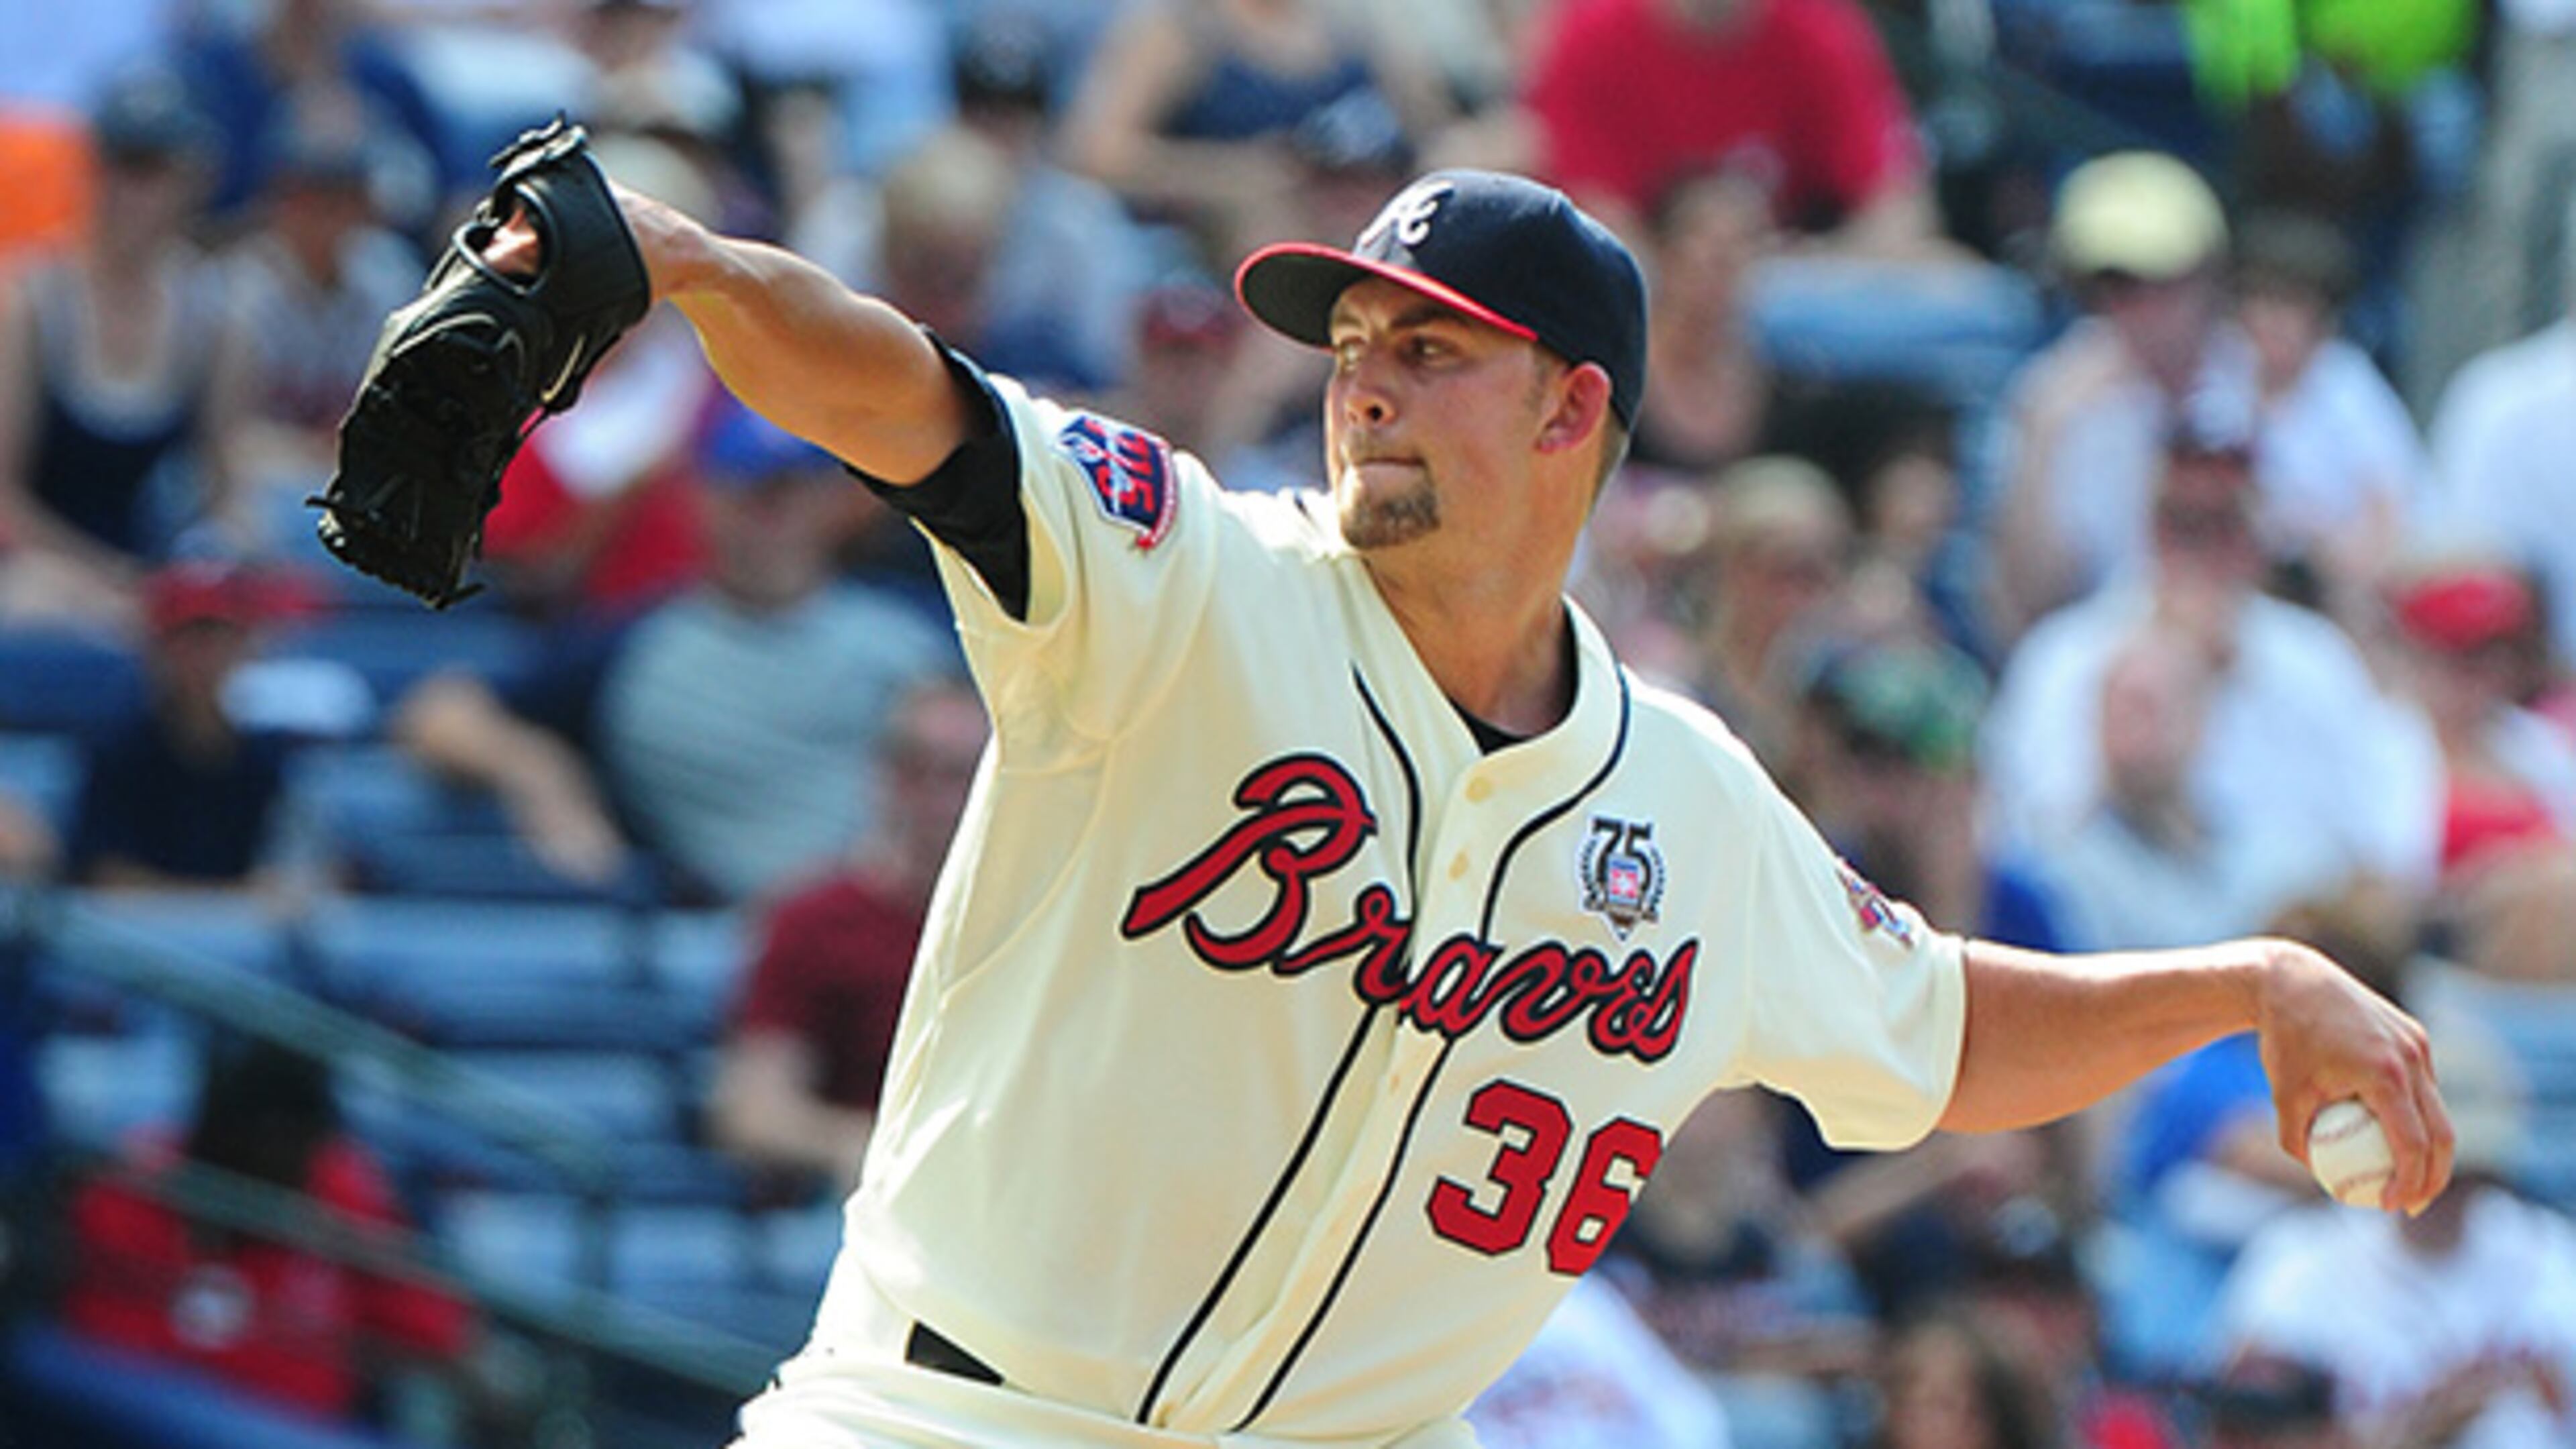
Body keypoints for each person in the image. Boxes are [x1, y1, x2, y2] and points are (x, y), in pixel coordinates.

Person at [470, 161, 2451, 1449]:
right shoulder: (1184, 581)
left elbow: (1930, 1033)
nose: (1365, 387)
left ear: (1574, 413)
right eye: (1350, 350)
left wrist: (2245, 981)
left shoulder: (1680, 800)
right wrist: (697, 267)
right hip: (942, 1422)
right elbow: (919, 408)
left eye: (1429, 353)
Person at [58, 1038, 478, 1423]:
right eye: (267, 1134)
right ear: (217, 1126)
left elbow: (436, 1329)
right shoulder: (135, 1185)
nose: (284, 1156)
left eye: (301, 1140)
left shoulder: (335, 1191)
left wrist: (344, 1245)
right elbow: (97, 1354)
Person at [710, 675, 988, 1190]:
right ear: (884, 777)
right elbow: (753, 1111)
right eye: (916, 770)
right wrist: (863, 1148)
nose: (941, 799)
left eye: (964, 776)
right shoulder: (812, 920)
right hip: (868, 1198)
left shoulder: (1035, 920)